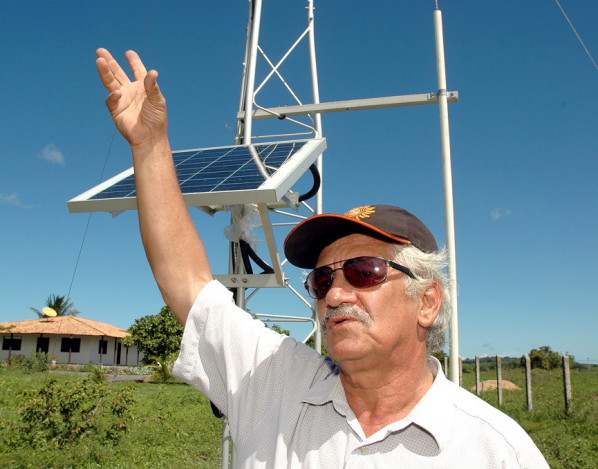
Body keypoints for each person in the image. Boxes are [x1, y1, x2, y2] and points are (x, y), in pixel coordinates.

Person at [96, 48, 550, 468]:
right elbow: (190, 284)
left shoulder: (494, 450)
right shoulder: (275, 383)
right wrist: (150, 144)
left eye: (364, 271)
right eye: (320, 280)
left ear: (428, 301)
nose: (334, 293)